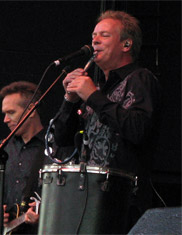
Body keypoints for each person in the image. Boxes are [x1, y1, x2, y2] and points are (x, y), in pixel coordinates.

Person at [53, 10, 162, 232]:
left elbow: (138, 129)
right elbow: (59, 140)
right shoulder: (99, 88)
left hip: (125, 203)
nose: (94, 40)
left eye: (104, 35)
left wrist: (92, 96)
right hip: (90, 201)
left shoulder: (140, 79)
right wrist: (70, 100)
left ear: (126, 45)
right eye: (94, 35)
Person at [0, 81, 45, 234]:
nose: (5, 120)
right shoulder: (7, 148)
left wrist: (43, 211)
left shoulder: (52, 147)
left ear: (31, 109)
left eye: (11, 112)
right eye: (4, 114)